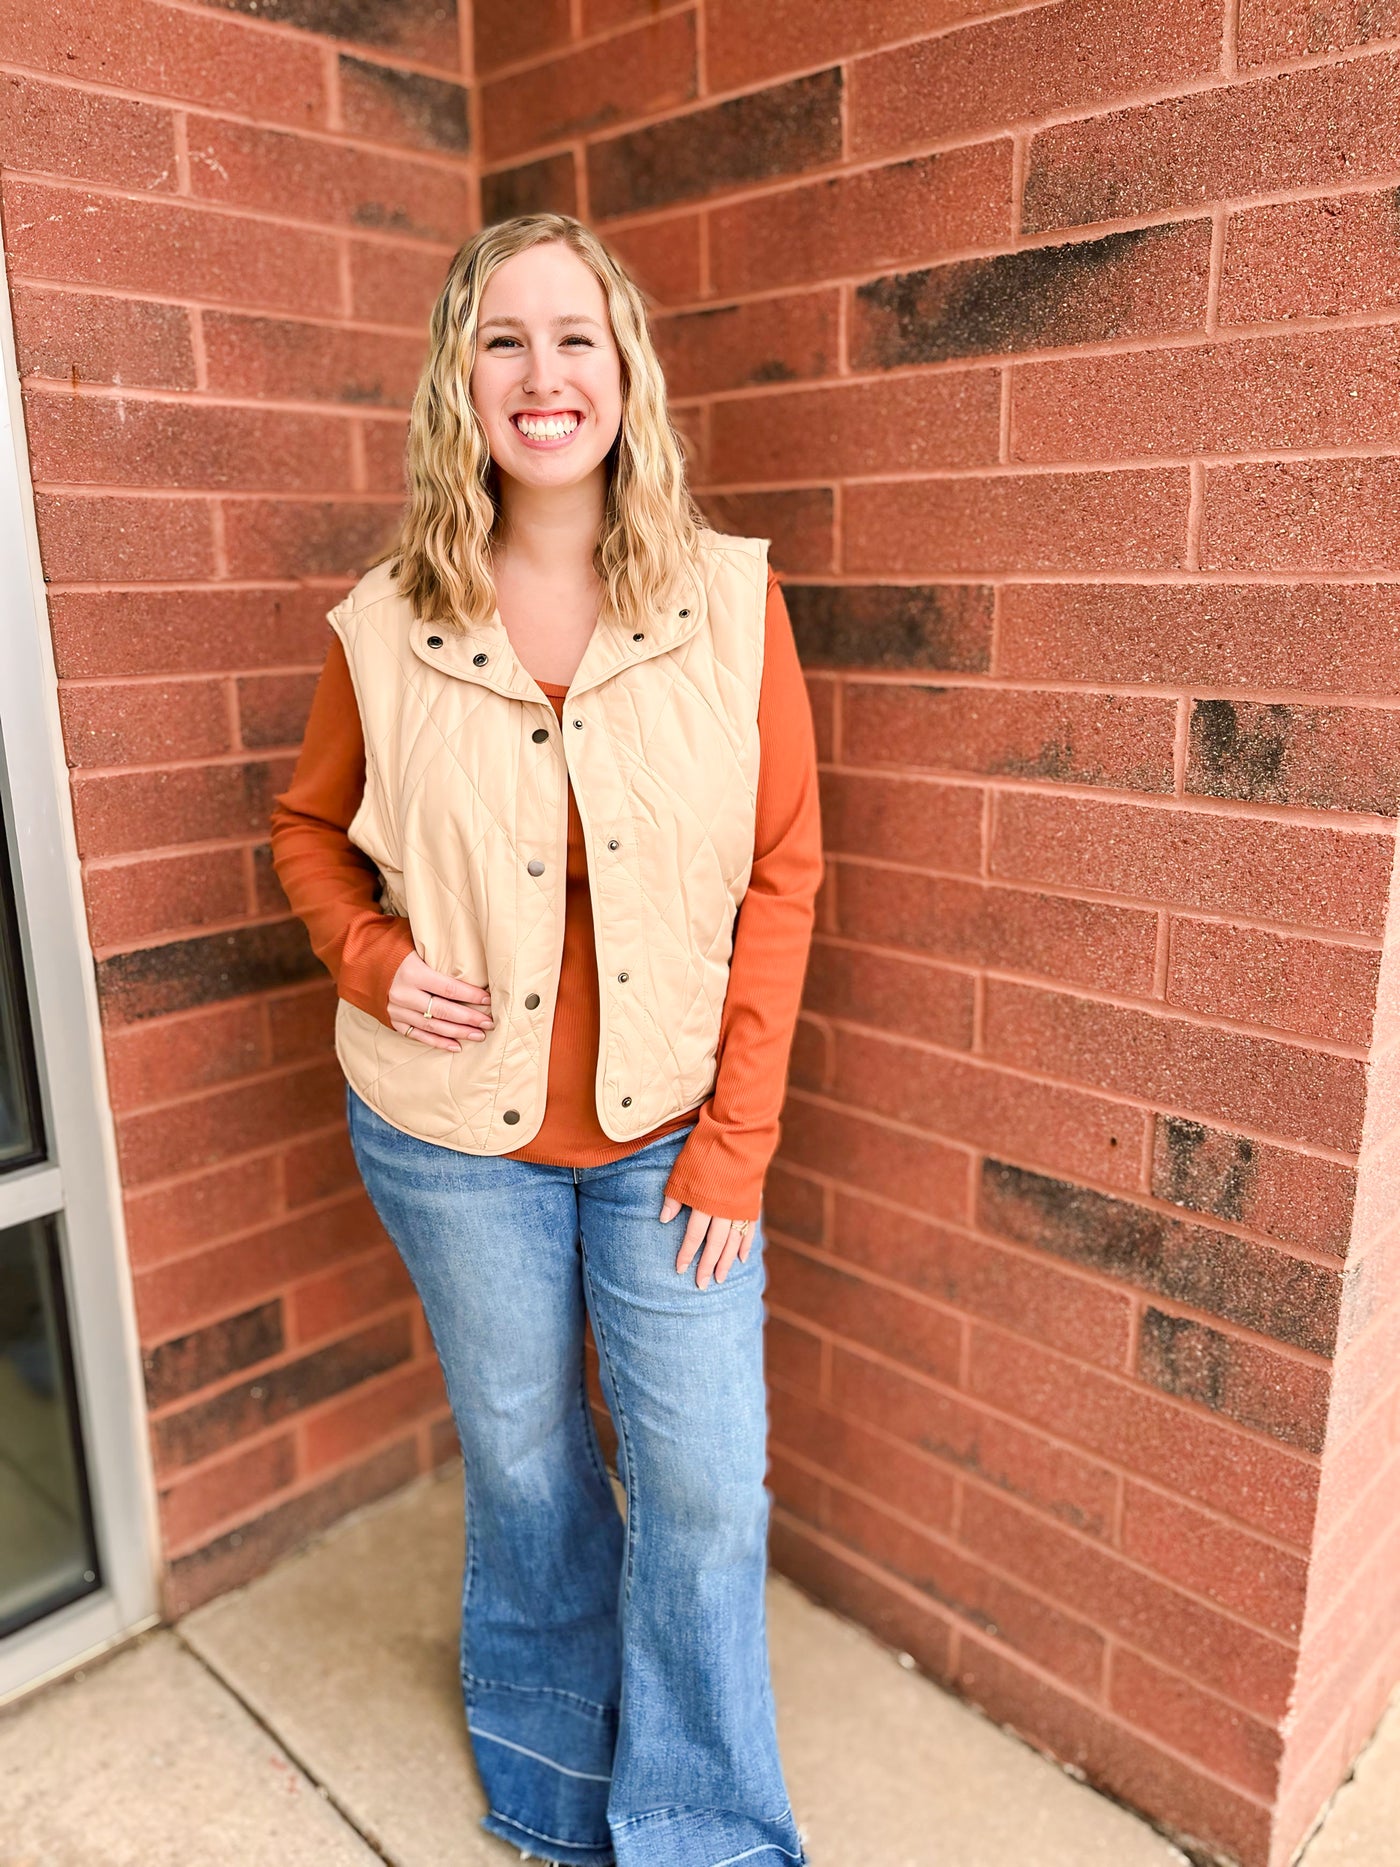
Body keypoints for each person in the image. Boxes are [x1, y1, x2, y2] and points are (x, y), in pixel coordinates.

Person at [269, 211, 822, 1867]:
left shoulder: (727, 604)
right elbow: (307, 833)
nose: (542, 372)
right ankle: (549, 1782)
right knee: (527, 1475)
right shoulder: (384, 621)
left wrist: (739, 1138)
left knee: (708, 1490)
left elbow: (786, 874)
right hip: (451, 1138)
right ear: (461, 379)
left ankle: (707, 1828)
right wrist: (372, 959)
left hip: (674, 1135)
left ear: (624, 369)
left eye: (574, 335)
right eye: (502, 339)